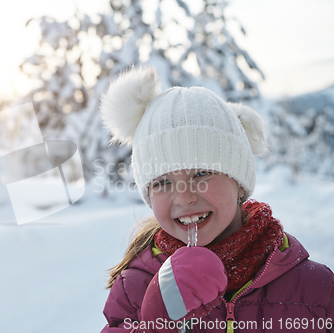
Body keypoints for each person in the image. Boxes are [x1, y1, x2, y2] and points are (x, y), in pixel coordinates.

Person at [99, 67, 334, 333]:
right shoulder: (134, 290)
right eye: (162, 182)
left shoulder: (313, 290)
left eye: (202, 173)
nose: (185, 197)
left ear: (239, 183)